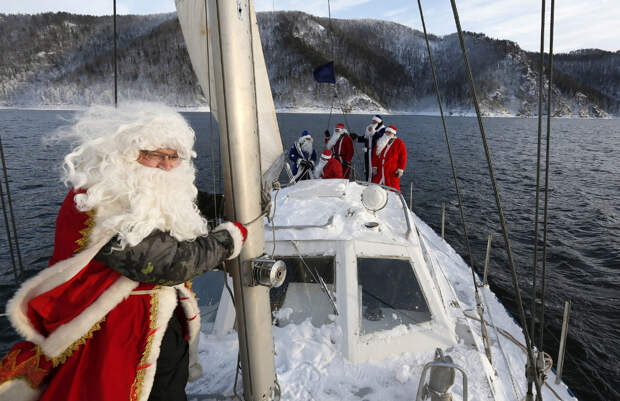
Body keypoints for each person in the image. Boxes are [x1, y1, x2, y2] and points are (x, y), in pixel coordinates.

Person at [0, 103, 247, 401]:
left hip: (156, 329)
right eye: (154, 155)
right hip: (115, 337)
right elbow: (170, 263)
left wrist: (225, 203)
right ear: (126, 153)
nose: (167, 165)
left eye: (173, 156)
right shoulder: (98, 202)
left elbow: (179, 197)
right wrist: (229, 239)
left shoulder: (137, 185)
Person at [371, 125, 407, 191]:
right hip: (379, 170)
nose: (387, 134)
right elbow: (375, 155)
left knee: (393, 188)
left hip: (391, 171)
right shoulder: (380, 142)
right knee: (376, 188)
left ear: (393, 134)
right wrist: (374, 166)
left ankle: (394, 199)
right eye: (386, 132)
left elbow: (403, 157)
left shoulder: (399, 143)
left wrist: (400, 169)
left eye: (389, 132)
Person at [351, 115, 386, 182]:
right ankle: (368, 182)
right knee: (367, 168)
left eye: (375, 121)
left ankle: (373, 183)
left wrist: (373, 131)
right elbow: (365, 138)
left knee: (373, 168)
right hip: (367, 151)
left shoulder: (383, 129)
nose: (373, 122)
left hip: (375, 152)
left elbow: (379, 137)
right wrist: (356, 138)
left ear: (378, 122)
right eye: (373, 121)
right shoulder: (370, 128)